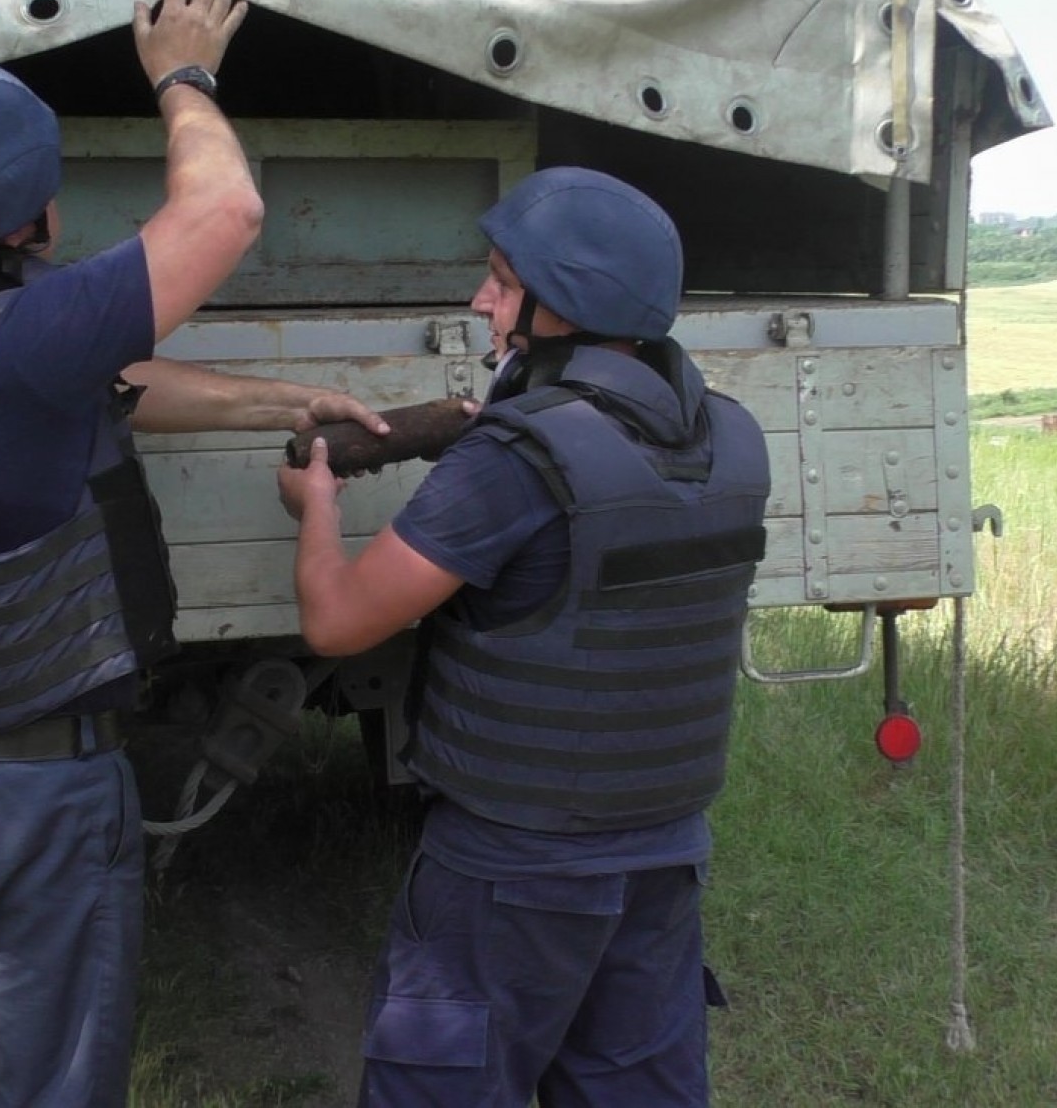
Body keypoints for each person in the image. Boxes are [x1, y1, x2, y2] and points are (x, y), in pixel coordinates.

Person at [0, 0, 388, 1108]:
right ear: (27, 214)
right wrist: (184, 73)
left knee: (21, 1062)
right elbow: (224, 213)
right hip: (28, 788)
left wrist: (285, 400)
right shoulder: (22, 341)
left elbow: (107, 381)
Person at [276, 167, 773, 1106]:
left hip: (511, 866)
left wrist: (314, 504)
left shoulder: (515, 460)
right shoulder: (734, 438)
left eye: (502, 280)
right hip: (663, 855)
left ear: (563, 305)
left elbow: (337, 623)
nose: (481, 299)